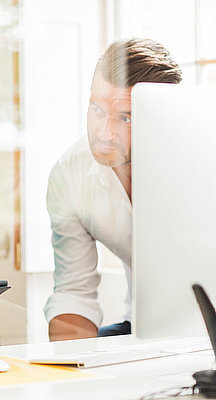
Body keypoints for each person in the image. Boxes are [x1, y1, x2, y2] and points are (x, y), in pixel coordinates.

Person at [44, 38, 182, 341]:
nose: (103, 133)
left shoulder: (200, 159)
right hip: (142, 327)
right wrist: (70, 371)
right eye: (96, 109)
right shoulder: (71, 173)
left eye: (125, 117)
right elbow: (74, 292)